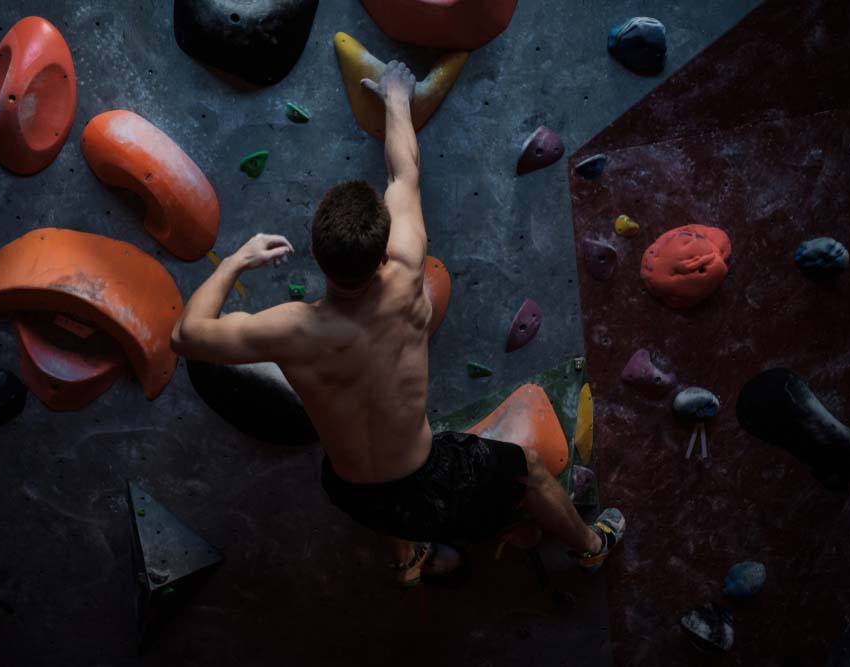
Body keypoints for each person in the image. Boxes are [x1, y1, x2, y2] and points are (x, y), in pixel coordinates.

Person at [171, 60, 624, 587]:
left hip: (347, 488)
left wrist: (236, 260)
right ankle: (591, 547)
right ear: (381, 252)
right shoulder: (407, 270)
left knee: (372, 493)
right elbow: (404, 173)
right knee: (526, 466)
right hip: (427, 481)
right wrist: (396, 96)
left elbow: (186, 335)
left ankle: (407, 560)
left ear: (318, 256)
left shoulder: (289, 328)